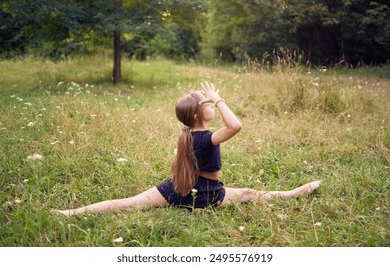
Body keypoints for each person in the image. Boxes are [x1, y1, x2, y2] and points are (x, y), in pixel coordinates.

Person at [55, 82, 322, 216]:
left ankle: (71, 213)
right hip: (207, 195)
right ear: (199, 113)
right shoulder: (204, 137)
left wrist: (212, 100)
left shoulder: (188, 134)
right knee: (252, 194)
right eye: (207, 104)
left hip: (177, 189)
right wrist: (220, 100)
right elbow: (236, 125)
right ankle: (292, 193)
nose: (211, 105)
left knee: (128, 203)